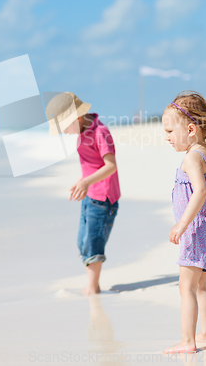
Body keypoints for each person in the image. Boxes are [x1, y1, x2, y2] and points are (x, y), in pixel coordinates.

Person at [162, 91, 206, 354]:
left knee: (186, 286)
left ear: (190, 129)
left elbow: (201, 191)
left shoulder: (191, 157)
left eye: (169, 131)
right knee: (202, 284)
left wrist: (183, 223)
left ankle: (188, 341)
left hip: (197, 230)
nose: (166, 137)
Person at [46, 92, 120, 295]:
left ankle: (93, 286)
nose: (65, 133)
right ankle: (91, 283)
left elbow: (111, 166)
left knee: (92, 241)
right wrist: (83, 183)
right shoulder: (83, 131)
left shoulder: (100, 132)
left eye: (65, 128)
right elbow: (91, 163)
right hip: (90, 194)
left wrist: (86, 181)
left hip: (104, 198)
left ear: (77, 118)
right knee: (82, 240)